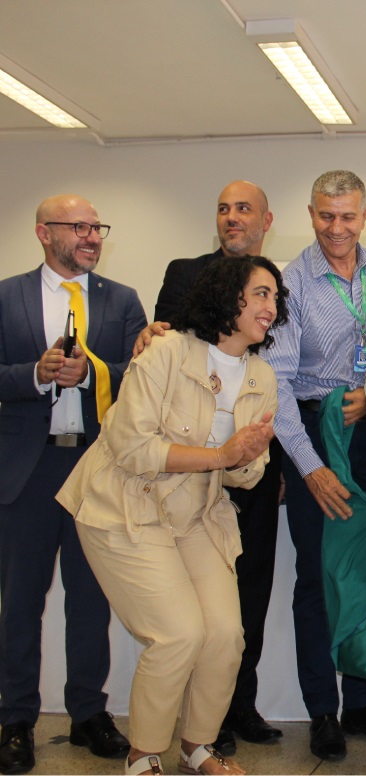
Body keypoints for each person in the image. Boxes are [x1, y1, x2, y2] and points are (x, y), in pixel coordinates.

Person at [56, 255, 285, 776]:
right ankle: (145, 752)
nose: (272, 307)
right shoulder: (165, 352)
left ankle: (198, 745)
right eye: (261, 294)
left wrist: (245, 459)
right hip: (124, 507)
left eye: (275, 297)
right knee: (179, 633)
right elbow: (134, 447)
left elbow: (244, 475)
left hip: (197, 514)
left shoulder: (262, 376)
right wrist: (223, 456)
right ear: (229, 298)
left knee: (226, 634)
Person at [137, 180, 284, 754]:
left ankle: (236, 708)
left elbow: (274, 372)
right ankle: (194, 730)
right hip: (180, 464)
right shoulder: (184, 272)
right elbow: (168, 343)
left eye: (242, 209)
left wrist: (252, 453)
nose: (230, 218)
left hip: (249, 454)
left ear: (266, 221)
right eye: (223, 209)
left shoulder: (273, 283)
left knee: (245, 597)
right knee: (184, 619)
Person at [0, 195, 144, 775]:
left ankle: (89, 715)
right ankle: (14, 720)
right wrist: (32, 374)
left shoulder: (122, 300)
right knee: (20, 604)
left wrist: (94, 374)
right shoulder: (6, 296)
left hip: (95, 468)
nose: (90, 236)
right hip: (26, 473)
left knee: (91, 601)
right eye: (78, 227)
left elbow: (139, 377)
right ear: (43, 232)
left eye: (96, 227)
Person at [262, 170, 366, 762]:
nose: (336, 228)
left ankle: (363, 703)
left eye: (347, 216)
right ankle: (323, 712)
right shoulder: (289, 284)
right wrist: (310, 468)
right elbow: (278, 388)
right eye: (325, 216)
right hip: (315, 436)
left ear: (364, 215)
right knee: (318, 579)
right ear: (310, 214)